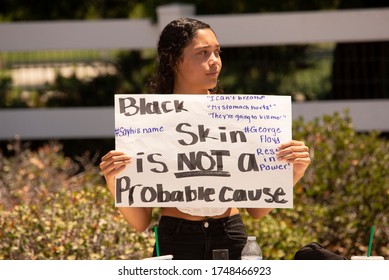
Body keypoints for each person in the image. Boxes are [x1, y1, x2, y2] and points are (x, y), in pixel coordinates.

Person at [99, 18, 311, 260]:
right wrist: (114, 182)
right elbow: (140, 222)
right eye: (203, 53)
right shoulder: (145, 121)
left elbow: (257, 210)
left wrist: (294, 172)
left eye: (217, 52)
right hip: (176, 238)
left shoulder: (242, 116)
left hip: (230, 232)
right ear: (173, 59)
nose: (215, 62)